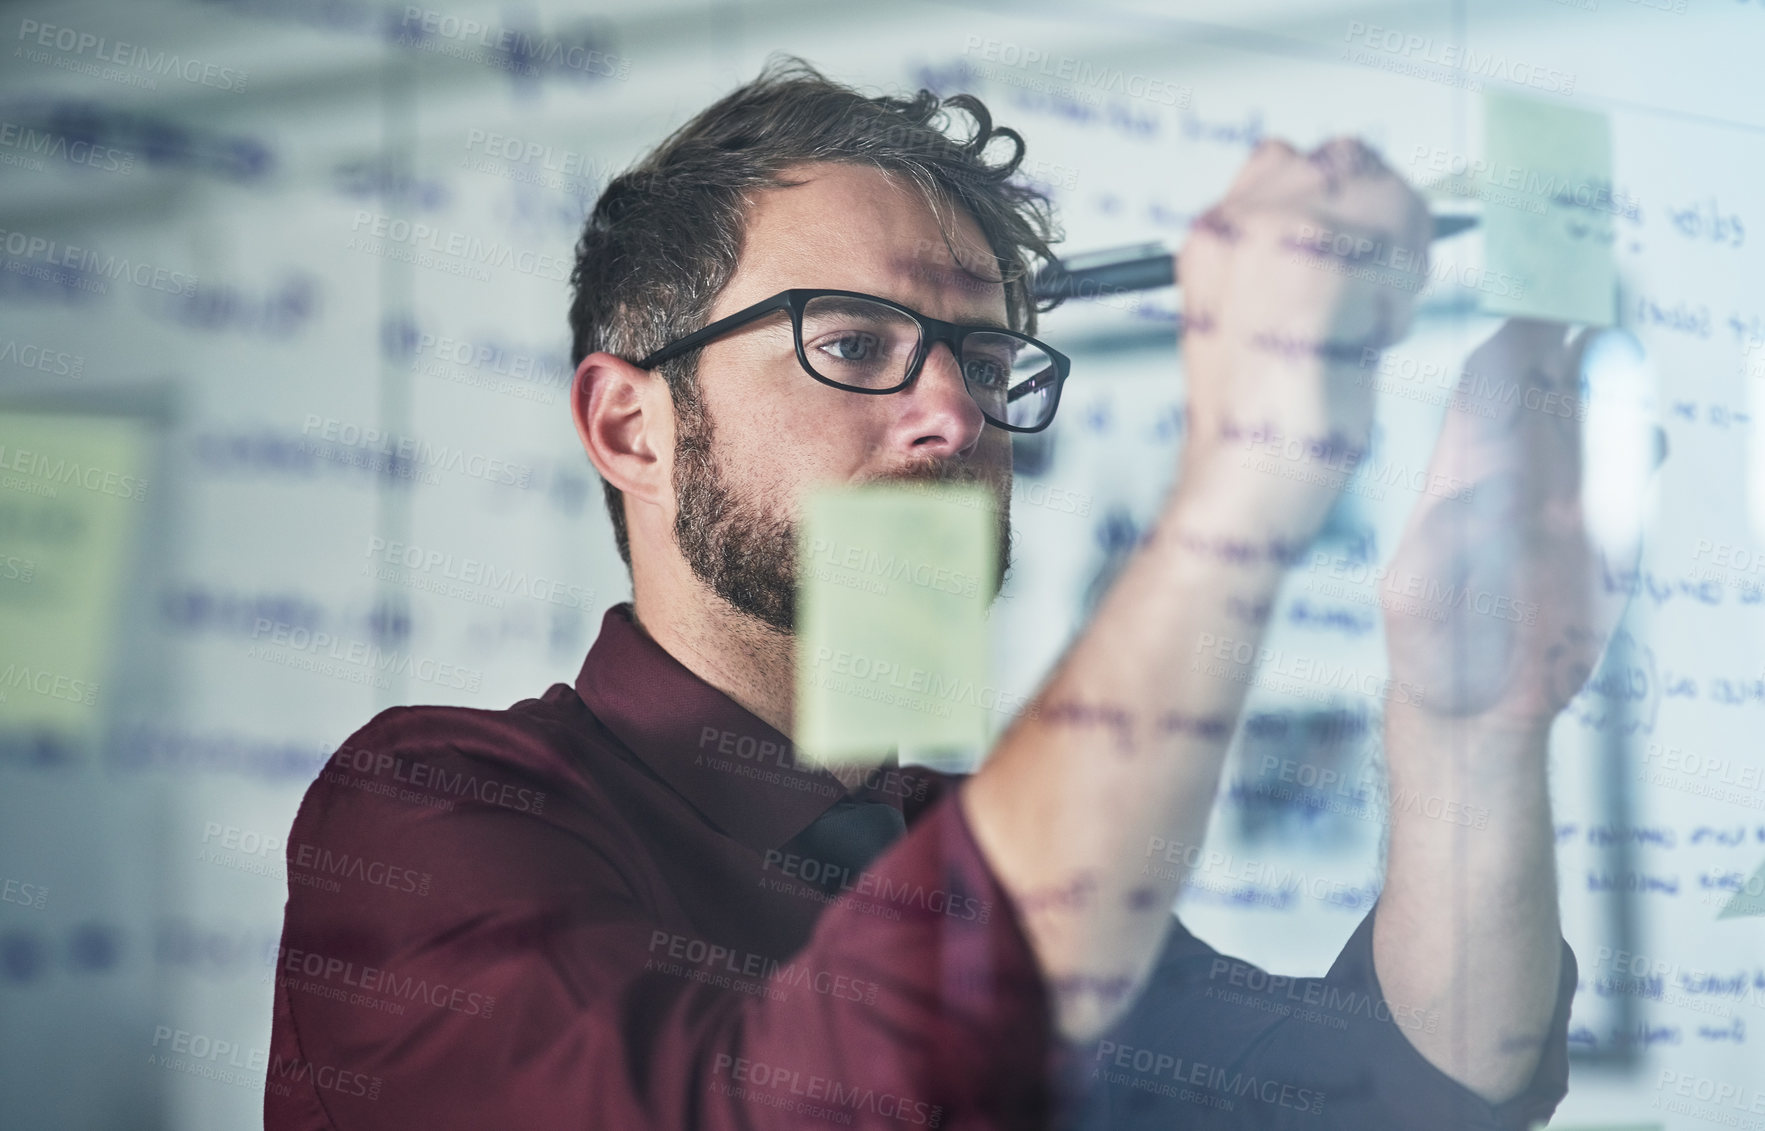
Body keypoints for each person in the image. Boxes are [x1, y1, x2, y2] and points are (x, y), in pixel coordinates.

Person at [265, 55, 1623, 1129]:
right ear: (631, 429)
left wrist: (1469, 720)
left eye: (981, 359)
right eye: (853, 342)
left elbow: (1400, 1099)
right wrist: (1249, 468)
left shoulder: (972, 846)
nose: (950, 416)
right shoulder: (437, 804)